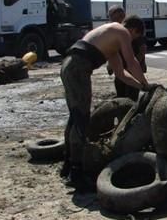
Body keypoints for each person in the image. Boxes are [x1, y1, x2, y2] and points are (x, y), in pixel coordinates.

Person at [60, 16, 149, 191]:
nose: (132, 41)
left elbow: (121, 74)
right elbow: (131, 62)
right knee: (81, 119)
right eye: (135, 37)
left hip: (70, 65)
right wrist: (147, 84)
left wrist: (141, 87)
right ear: (133, 30)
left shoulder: (110, 40)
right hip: (78, 67)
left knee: (75, 117)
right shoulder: (121, 31)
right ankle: (76, 174)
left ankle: (67, 165)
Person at [107, 5, 147, 100]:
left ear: (123, 16)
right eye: (112, 19)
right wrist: (111, 65)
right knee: (121, 97)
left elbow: (142, 51)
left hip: (133, 70)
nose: (114, 21)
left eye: (117, 18)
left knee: (131, 99)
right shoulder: (117, 30)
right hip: (121, 71)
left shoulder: (133, 27)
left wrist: (132, 69)